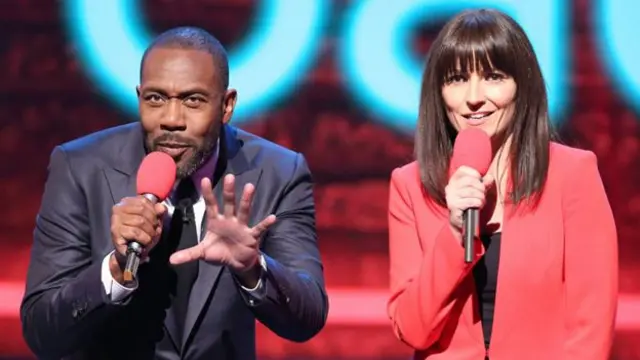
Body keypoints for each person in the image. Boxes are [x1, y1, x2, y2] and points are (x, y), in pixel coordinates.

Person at [21, 26, 328, 359]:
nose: (171, 119)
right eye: (156, 99)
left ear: (227, 105)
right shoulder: (80, 168)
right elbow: (42, 332)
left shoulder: (279, 172)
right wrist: (115, 269)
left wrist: (253, 267)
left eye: (192, 101)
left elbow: (307, 317)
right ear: (139, 97)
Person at [387, 9, 617, 360]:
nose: (474, 96)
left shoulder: (573, 174)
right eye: (457, 79)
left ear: (522, 86)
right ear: (439, 91)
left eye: (493, 77)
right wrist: (453, 235)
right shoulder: (409, 185)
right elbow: (413, 329)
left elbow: (591, 326)